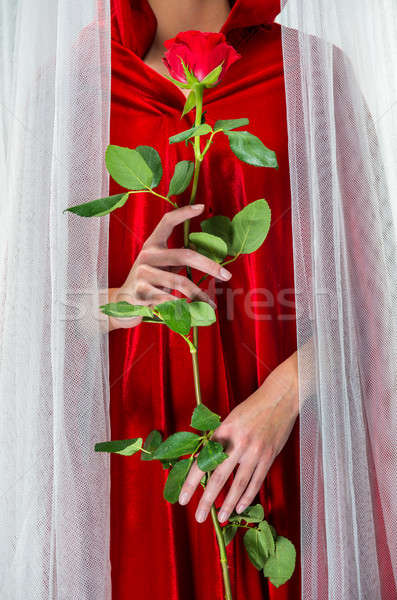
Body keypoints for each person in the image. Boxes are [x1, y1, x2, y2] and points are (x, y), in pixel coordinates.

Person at [108, 0, 300, 597]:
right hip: (138, 457)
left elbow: (377, 293)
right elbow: (29, 309)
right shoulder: (77, 86)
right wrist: (113, 297)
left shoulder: (309, 74)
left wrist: (289, 391)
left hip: (285, 445)